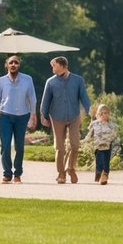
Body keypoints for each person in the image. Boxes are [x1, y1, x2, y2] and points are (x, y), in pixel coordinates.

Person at [40, 56, 90, 185]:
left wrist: (90, 111)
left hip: (73, 116)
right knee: (59, 147)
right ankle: (61, 173)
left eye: (54, 65)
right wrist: (44, 116)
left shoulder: (78, 80)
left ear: (62, 66)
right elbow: (45, 101)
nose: (52, 68)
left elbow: (84, 97)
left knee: (75, 145)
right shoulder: (50, 82)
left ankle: (70, 168)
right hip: (57, 117)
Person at [0, 55, 36, 184]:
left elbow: (32, 98)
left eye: (16, 62)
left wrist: (33, 115)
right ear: (7, 65)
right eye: (11, 62)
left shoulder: (27, 79)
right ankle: (7, 173)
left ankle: (18, 174)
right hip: (4, 115)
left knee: (19, 146)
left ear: (19, 65)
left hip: (22, 116)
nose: (13, 64)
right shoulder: (1, 81)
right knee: (5, 146)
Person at [83, 103, 118, 185]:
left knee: (106, 163)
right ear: (98, 114)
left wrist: (116, 149)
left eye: (105, 113)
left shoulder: (112, 126)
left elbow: (115, 138)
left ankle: (104, 176)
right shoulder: (94, 124)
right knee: (99, 164)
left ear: (108, 114)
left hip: (107, 147)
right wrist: (82, 141)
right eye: (101, 113)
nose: (103, 115)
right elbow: (89, 135)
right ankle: (99, 175)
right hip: (97, 148)